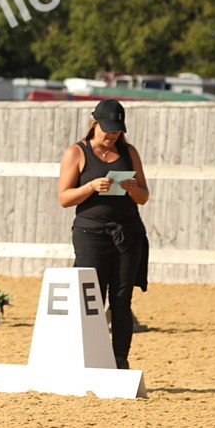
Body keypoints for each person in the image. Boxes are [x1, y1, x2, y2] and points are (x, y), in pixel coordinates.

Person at [57, 99, 150, 369]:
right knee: (91, 299)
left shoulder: (129, 152)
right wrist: (91, 186)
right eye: (108, 130)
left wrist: (132, 188)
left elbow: (143, 197)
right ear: (95, 123)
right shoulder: (77, 152)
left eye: (117, 131)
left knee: (122, 300)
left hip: (128, 234)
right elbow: (64, 198)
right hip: (91, 234)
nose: (113, 136)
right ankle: (89, 359)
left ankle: (120, 361)